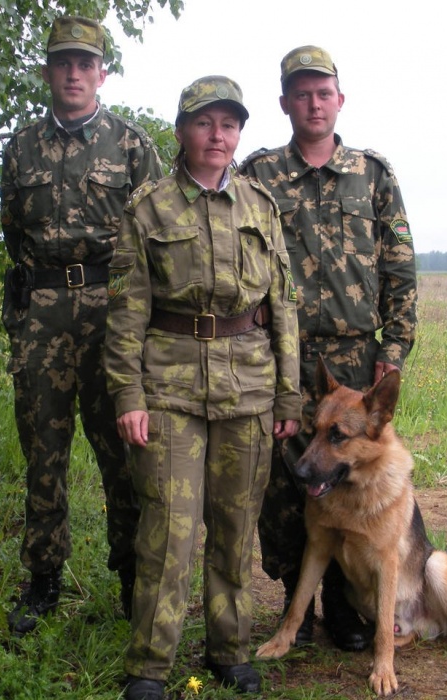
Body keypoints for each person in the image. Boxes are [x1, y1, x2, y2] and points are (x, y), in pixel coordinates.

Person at [104, 76, 301, 700]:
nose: (218, 135)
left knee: (236, 524)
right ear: (183, 130)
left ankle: (230, 649)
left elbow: (284, 307)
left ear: (239, 133)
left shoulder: (260, 207)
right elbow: (126, 313)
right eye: (204, 123)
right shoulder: (149, 208)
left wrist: (289, 395)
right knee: (170, 528)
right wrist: (128, 396)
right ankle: (150, 665)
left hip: (248, 388)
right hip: (169, 389)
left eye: (229, 124)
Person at [239, 45, 418, 652]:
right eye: (301, 92)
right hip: (277, 354)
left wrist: (392, 350)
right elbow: (235, 255)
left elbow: (400, 268)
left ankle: (344, 611)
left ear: (339, 99)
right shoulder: (257, 175)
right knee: (282, 485)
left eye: (323, 92)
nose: (313, 103)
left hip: (352, 359)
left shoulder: (373, 174)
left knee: (347, 483)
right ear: (284, 102)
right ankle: (298, 597)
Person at [0, 15, 164, 636]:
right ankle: (43, 581)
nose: (74, 73)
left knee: (122, 451)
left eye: (85, 63)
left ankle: (130, 578)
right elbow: (14, 228)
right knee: (43, 450)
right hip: (41, 312)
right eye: (63, 63)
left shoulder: (131, 144)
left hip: (110, 311)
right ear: (48, 72)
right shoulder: (21, 147)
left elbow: (153, 235)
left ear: (102, 73)